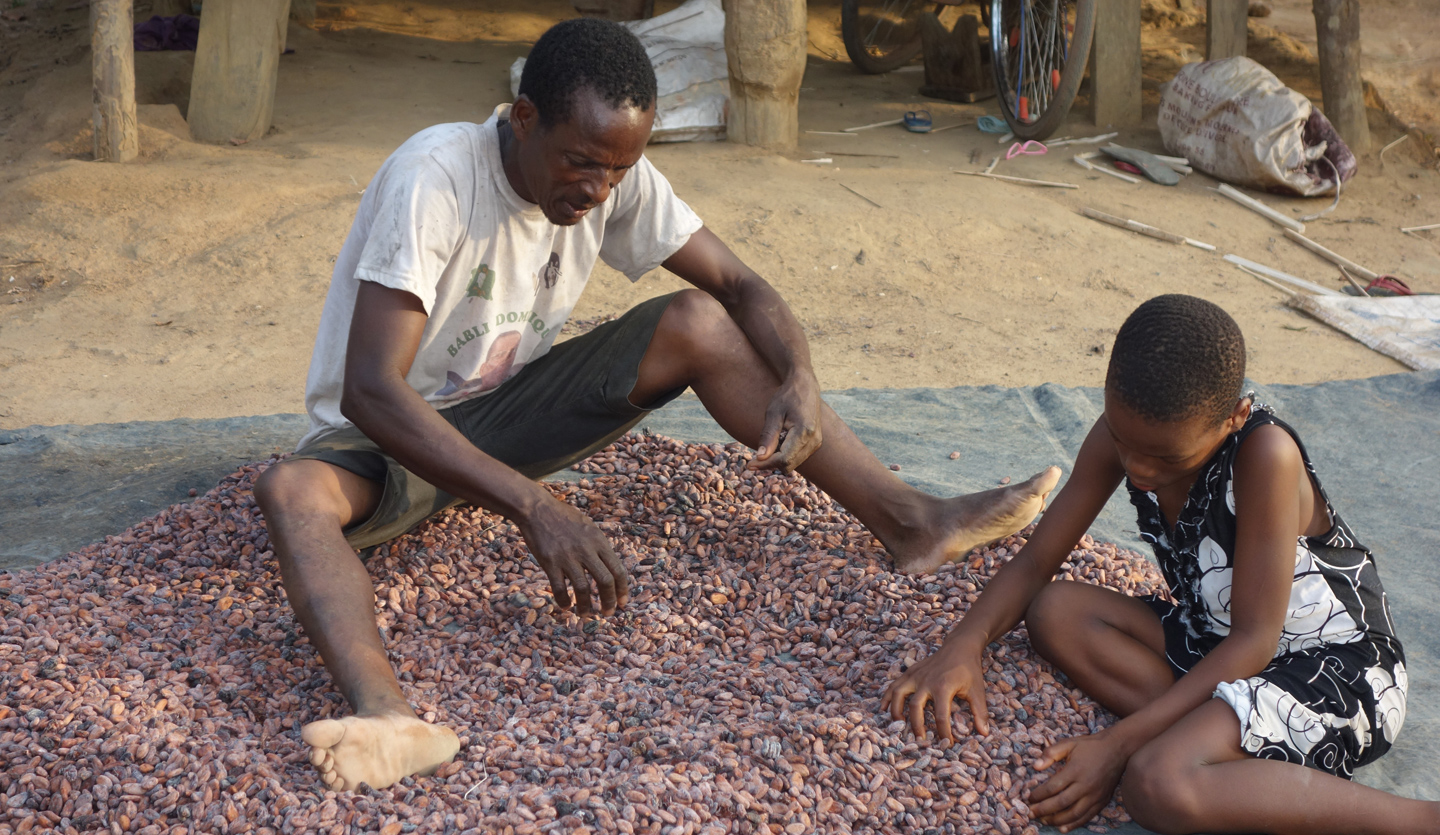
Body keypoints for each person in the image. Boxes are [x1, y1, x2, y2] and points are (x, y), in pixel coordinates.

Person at [254, 18, 1060, 793]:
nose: (597, 190)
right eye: (580, 164)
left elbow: (738, 285)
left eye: (617, 172)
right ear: (524, 118)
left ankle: (910, 520)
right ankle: (388, 715)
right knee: (293, 490)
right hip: (386, 438)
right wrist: (535, 506)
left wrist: (800, 373)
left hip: (503, 415)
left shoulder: (611, 170)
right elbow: (370, 388)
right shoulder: (435, 178)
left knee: (697, 321)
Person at [883, 295, 1430, 834]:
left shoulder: (1266, 456)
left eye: (1168, 458)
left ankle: (1417, 820)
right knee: (1054, 610)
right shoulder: (1126, 434)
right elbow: (1038, 561)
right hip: (1217, 644)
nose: (1139, 468)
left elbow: (1256, 640)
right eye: (1124, 443)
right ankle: (1220, 742)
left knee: (1156, 783)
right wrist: (963, 646)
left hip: (1334, 671)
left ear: (1234, 417)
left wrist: (1118, 744)